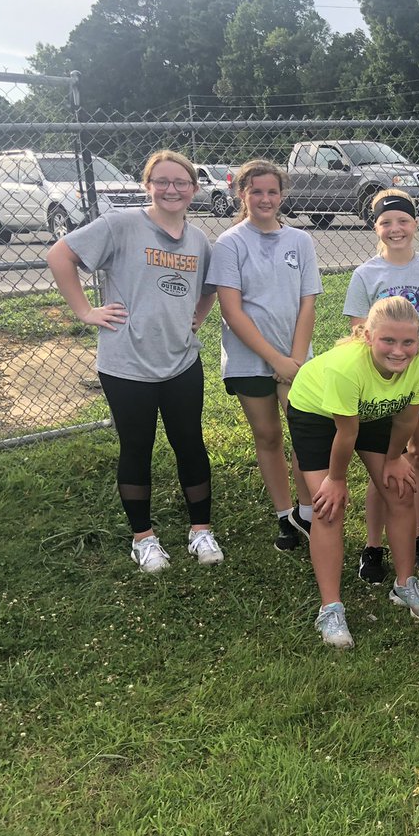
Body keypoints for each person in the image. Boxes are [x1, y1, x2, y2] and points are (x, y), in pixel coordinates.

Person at [46, 149, 223, 573]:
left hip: (181, 362)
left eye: (181, 182)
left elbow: (209, 287)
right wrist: (85, 311)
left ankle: (201, 530)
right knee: (137, 447)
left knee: (190, 443)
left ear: (194, 189)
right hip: (126, 364)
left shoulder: (199, 240)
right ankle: (143, 538)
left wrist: (196, 318)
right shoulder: (120, 224)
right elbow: (59, 255)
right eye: (161, 181)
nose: (171, 189)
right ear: (148, 186)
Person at [287, 296, 419, 648]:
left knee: (400, 490)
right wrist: (336, 479)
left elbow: (406, 417)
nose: (400, 351)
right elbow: (346, 432)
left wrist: (392, 458)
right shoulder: (347, 367)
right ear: (368, 336)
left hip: (372, 411)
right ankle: (331, 607)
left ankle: (405, 584)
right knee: (329, 508)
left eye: (408, 342)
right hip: (316, 412)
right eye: (389, 340)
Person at [208, 159, 321, 552]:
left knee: (304, 436)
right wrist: (275, 360)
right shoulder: (229, 243)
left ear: (282, 195)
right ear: (242, 195)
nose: (265, 199)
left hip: (296, 361)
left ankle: (306, 514)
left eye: (272, 191)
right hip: (250, 360)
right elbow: (232, 311)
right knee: (268, 435)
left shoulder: (300, 241)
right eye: (256, 191)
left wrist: (295, 359)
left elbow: (308, 303)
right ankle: (283, 517)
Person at [343, 190, 419, 583]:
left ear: (415, 224)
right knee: (385, 462)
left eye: (403, 220)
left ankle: (417, 534)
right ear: (376, 227)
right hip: (382, 384)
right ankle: (374, 545)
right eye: (386, 222)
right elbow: (358, 331)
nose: (395, 228)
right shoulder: (366, 274)